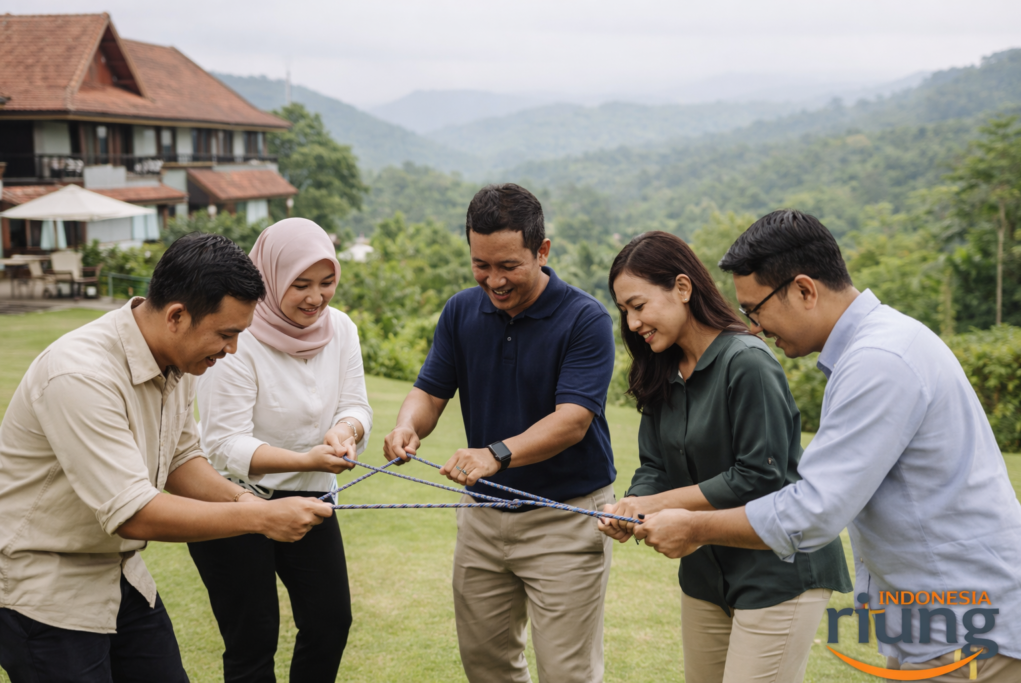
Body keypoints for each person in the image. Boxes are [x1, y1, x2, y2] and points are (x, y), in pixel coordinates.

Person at [632, 210, 1021, 681]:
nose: (755, 327)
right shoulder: (875, 348)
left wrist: (694, 528)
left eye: (755, 310)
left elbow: (814, 510)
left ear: (804, 290)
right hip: (936, 620)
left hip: (967, 624)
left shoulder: (879, 360)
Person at [0, 233, 335, 683]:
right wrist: (261, 520)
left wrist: (246, 503)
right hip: (43, 589)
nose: (231, 349)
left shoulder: (180, 359)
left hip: (119, 575)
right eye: (226, 334)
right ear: (177, 315)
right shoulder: (79, 374)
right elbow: (134, 512)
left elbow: (182, 460)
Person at [383, 183, 616, 683]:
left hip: (565, 521)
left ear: (542, 251)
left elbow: (573, 420)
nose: (494, 280)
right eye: (480, 264)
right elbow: (429, 392)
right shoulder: (461, 311)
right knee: (486, 667)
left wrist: (497, 455)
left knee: (567, 673)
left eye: (508, 265)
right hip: (483, 521)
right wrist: (407, 426)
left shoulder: (585, 319)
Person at [598, 231, 851, 682]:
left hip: (779, 574)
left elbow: (759, 476)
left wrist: (653, 505)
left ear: (682, 288)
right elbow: (654, 466)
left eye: (638, 306)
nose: (632, 323)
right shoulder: (660, 369)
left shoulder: (748, 361)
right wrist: (630, 509)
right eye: (624, 312)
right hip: (704, 579)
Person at [188, 218, 371, 683]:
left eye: (327, 283)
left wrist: (346, 431)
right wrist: (307, 458)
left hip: (312, 501)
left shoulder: (342, 330)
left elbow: (356, 405)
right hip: (232, 501)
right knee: (253, 637)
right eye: (301, 284)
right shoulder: (235, 337)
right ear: (268, 280)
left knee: (330, 622)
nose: (316, 297)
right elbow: (224, 444)